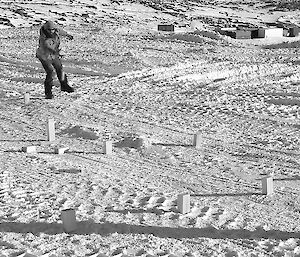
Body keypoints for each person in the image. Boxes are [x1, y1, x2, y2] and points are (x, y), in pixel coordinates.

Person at [36, 20, 74, 99]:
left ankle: (64, 85)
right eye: (49, 30)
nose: (51, 31)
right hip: (44, 56)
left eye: (52, 29)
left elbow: (60, 31)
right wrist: (57, 52)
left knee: (60, 69)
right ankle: (48, 92)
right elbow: (47, 48)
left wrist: (67, 35)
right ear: (46, 29)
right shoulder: (43, 38)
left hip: (54, 55)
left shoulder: (55, 31)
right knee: (51, 72)